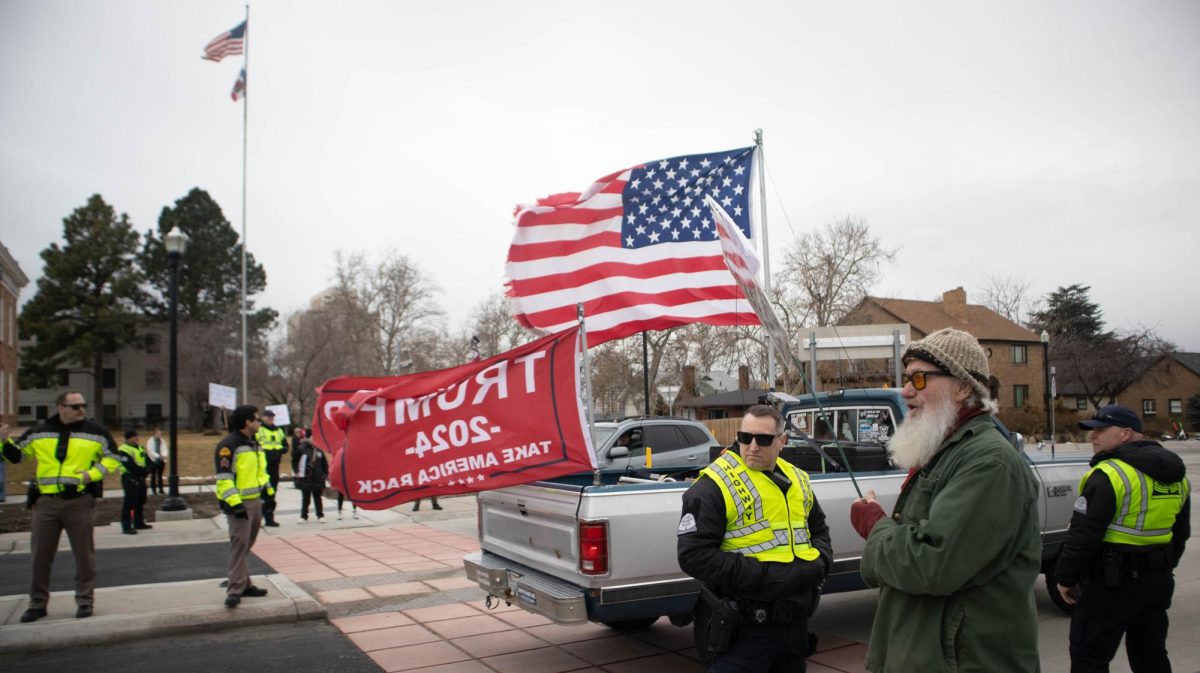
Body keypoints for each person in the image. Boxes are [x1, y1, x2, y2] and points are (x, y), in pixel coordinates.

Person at [848, 327, 1042, 672]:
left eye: (920, 379)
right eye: (907, 379)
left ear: (963, 387)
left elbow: (930, 564)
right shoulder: (946, 451)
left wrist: (876, 525)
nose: (906, 391)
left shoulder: (988, 463)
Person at [677, 404, 832, 672]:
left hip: (794, 627)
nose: (752, 446)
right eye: (744, 437)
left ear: (782, 441)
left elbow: (819, 529)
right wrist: (764, 576)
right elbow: (693, 555)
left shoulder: (797, 478)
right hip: (745, 629)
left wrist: (819, 565)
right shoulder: (715, 484)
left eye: (763, 439)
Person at [1054, 405, 1190, 673]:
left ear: (1126, 434)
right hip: (1157, 581)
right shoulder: (1177, 476)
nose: (1093, 437)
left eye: (1101, 431)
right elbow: (1181, 533)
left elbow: (1084, 535)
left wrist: (1065, 578)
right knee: (1150, 655)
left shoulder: (1110, 474)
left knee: (1088, 656)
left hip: (1113, 584)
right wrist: (1162, 568)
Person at [0, 391, 123, 622]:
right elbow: (17, 457)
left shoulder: (95, 432)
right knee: (40, 556)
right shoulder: (40, 431)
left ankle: (85, 601)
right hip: (46, 503)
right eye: (75, 406)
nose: (81, 410)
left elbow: (114, 458)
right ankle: (37, 604)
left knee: (84, 556)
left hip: (79, 502)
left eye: (83, 405)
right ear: (61, 408)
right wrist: (3, 442)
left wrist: (92, 474)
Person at [216, 404, 274, 607]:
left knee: (246, 544)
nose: (259, 422)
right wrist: (235, 503)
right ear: (247, 422)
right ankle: (235, 589)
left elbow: (260, 471)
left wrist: (268, 490)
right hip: (239, 504)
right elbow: (224, 478)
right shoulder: (228, 445)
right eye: (257, 419)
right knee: (239, 545)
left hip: (255, 501)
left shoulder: (253, 443)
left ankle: (244, 582)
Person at [255, 409, 287, 527]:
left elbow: (285, 446)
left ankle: (269, 518)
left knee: (271, 493)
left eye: (272, 417)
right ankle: (257, 518)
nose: (270, 419)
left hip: (274, 465)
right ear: (263, 417)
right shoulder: (259, 429)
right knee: (261, 494)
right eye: (268, 417)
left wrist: (279, 451)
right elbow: (253, 443)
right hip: (261, 466)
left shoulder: (279, 430)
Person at [117, 429, 152, 534]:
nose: (137, 438)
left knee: (140, 501)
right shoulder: (123, 450)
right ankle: (126, 526)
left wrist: (147, 470)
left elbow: (148, 461)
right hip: (129, 478)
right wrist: (143, 471)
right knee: (129, 502)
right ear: (128, 438)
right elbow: (130, 466)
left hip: (140, 478)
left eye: (137, 436)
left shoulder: (140, 448)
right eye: (134, 436)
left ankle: (139, 522)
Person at [291, 428, 328, 523]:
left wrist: (325, 474)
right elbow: (294, 461)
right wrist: (297, 471)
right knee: (306, 498)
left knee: (318, 498)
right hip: (306, 477)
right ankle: (304, 516)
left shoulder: (319, 450)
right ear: (308, 437)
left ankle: (320, 515)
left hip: (318, 477)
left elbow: (324, 463)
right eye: (313, 437)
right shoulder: (301, 449)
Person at [144, 428, 167, 495]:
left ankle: (161, 490)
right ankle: (154, 490)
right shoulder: (150, 441)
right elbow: (150, 451)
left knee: (160, 476)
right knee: (153, 475)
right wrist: (158, 456)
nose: (160, 435)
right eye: (159, 434)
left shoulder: (162, 441)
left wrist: (163, 455)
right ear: (155, 434)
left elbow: (165, 449)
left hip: (161, 461)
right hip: (153, 461)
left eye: (161, 434)